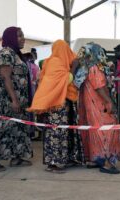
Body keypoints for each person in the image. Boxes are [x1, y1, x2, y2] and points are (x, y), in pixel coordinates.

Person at [0, 27, 32, 172]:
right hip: (6, 99)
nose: (23, 38)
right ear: (11, 38)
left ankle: (16, 157)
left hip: (18, 100)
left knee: (17, 128)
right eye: (19, 36)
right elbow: (5, 77)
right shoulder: (6, 53)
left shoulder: (16, 54)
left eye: (22, 35)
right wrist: (14, 99)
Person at [28, 40, 81, 173]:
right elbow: (66, 80)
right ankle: (56, 163)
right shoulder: (56, 62)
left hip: (55, 102)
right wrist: (74, 68)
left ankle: (57, 161)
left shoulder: (53, 62)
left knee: (55, 133)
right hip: (56, 105)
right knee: (58, 134)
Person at [75, 42, 120, 174]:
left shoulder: (84, 69)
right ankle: (107, 162)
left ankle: (94, 159)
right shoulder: (95, 67)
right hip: (100, 105)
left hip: (91, 106)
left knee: (95, 131)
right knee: (107, 130)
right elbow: (100, 87)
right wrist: (109, 102)